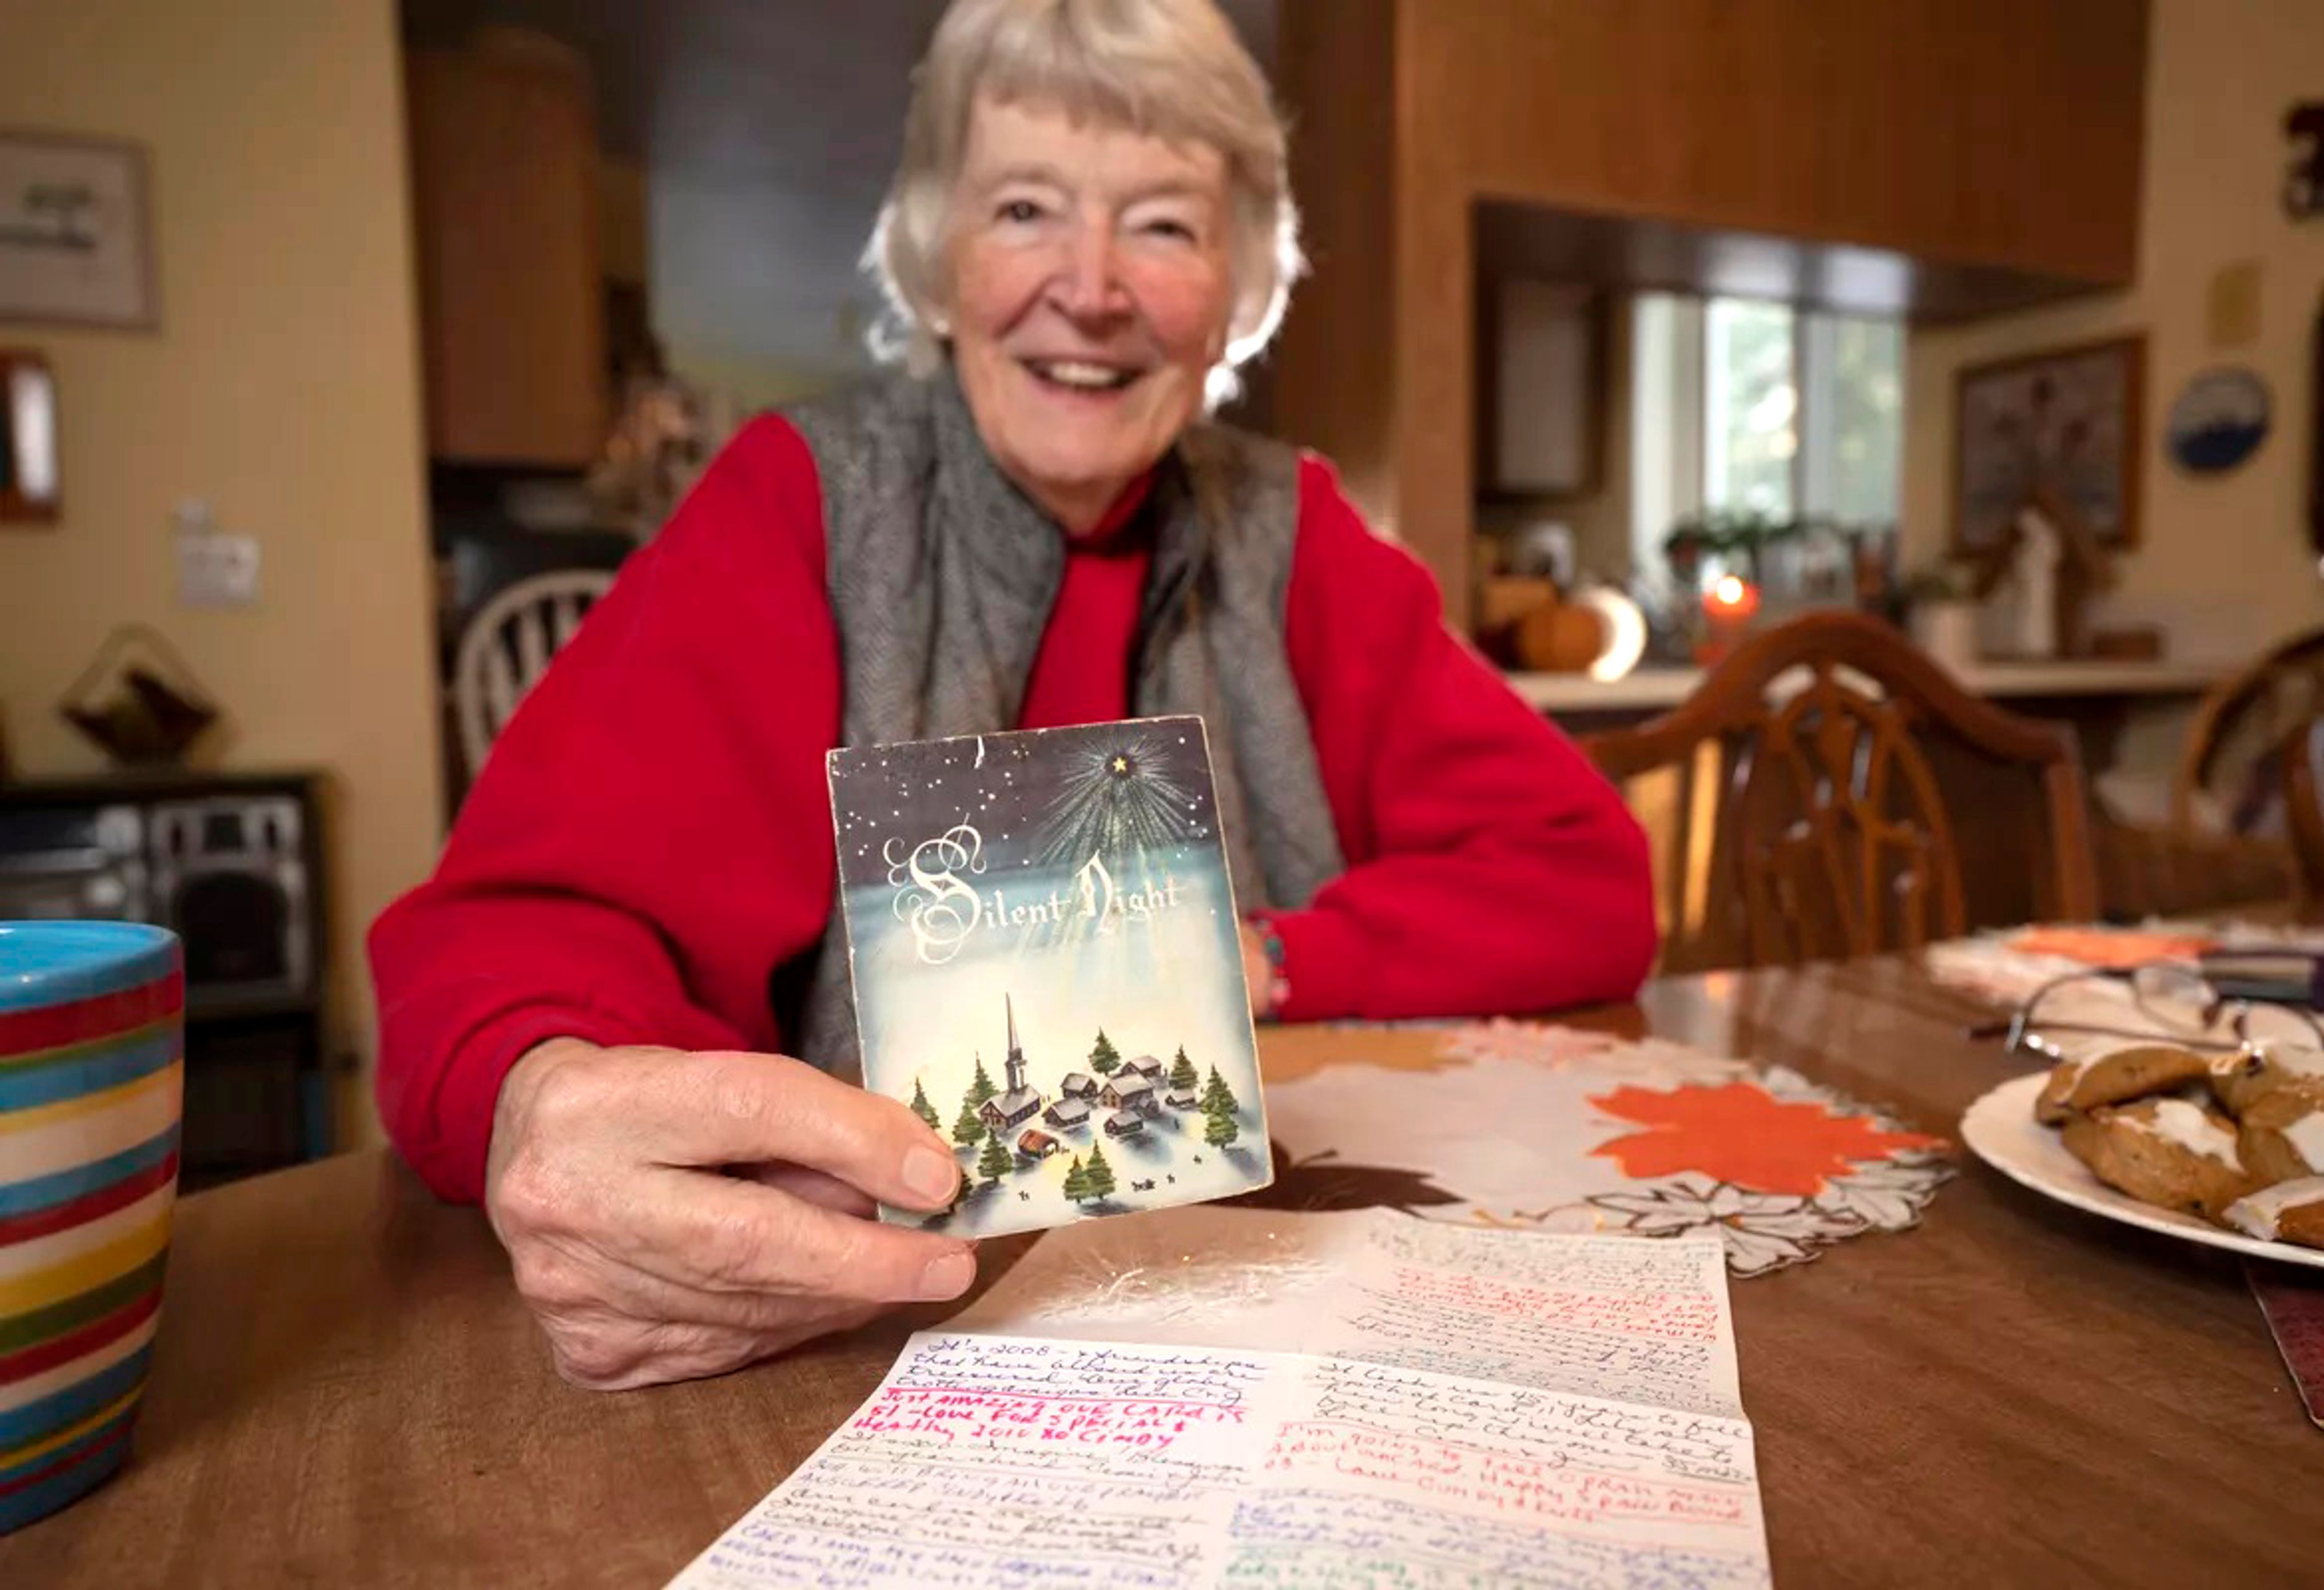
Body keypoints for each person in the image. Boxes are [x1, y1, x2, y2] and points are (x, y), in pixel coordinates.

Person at [369, 0, 1656, 1391]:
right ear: (936, 258)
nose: (1092, 287)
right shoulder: (802, 501)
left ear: (1236, 286)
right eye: (1027, 208)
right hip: (860, 1348)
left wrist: (1263, 957)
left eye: (1163, 225)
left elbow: (1586, 878)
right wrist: (544, 1098)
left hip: (1270, 1330)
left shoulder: (1295, 535)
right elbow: (512, 941)